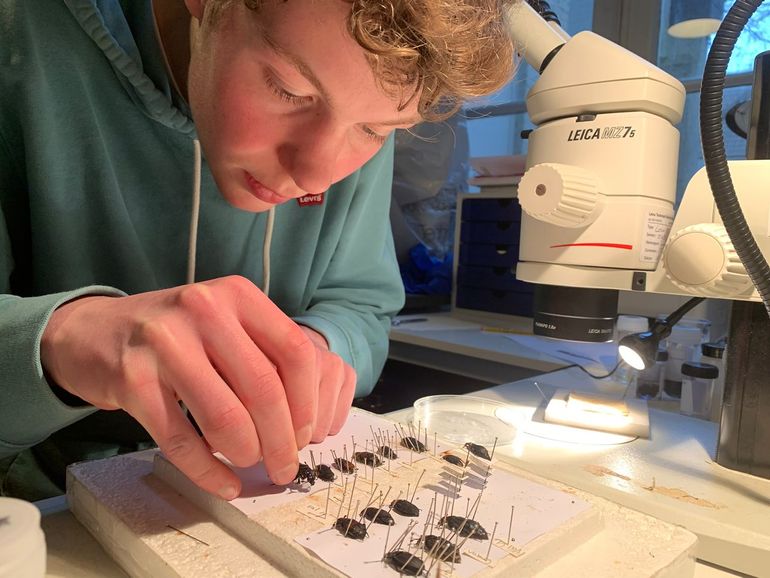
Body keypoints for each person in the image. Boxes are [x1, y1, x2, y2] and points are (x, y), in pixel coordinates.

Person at [0, 0, 515, 501]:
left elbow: (361, 304)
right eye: (290, 89)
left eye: (375, 131)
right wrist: (61, 341)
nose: (316, 174)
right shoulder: (20, 36)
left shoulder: (355, 123)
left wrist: (313, 349)